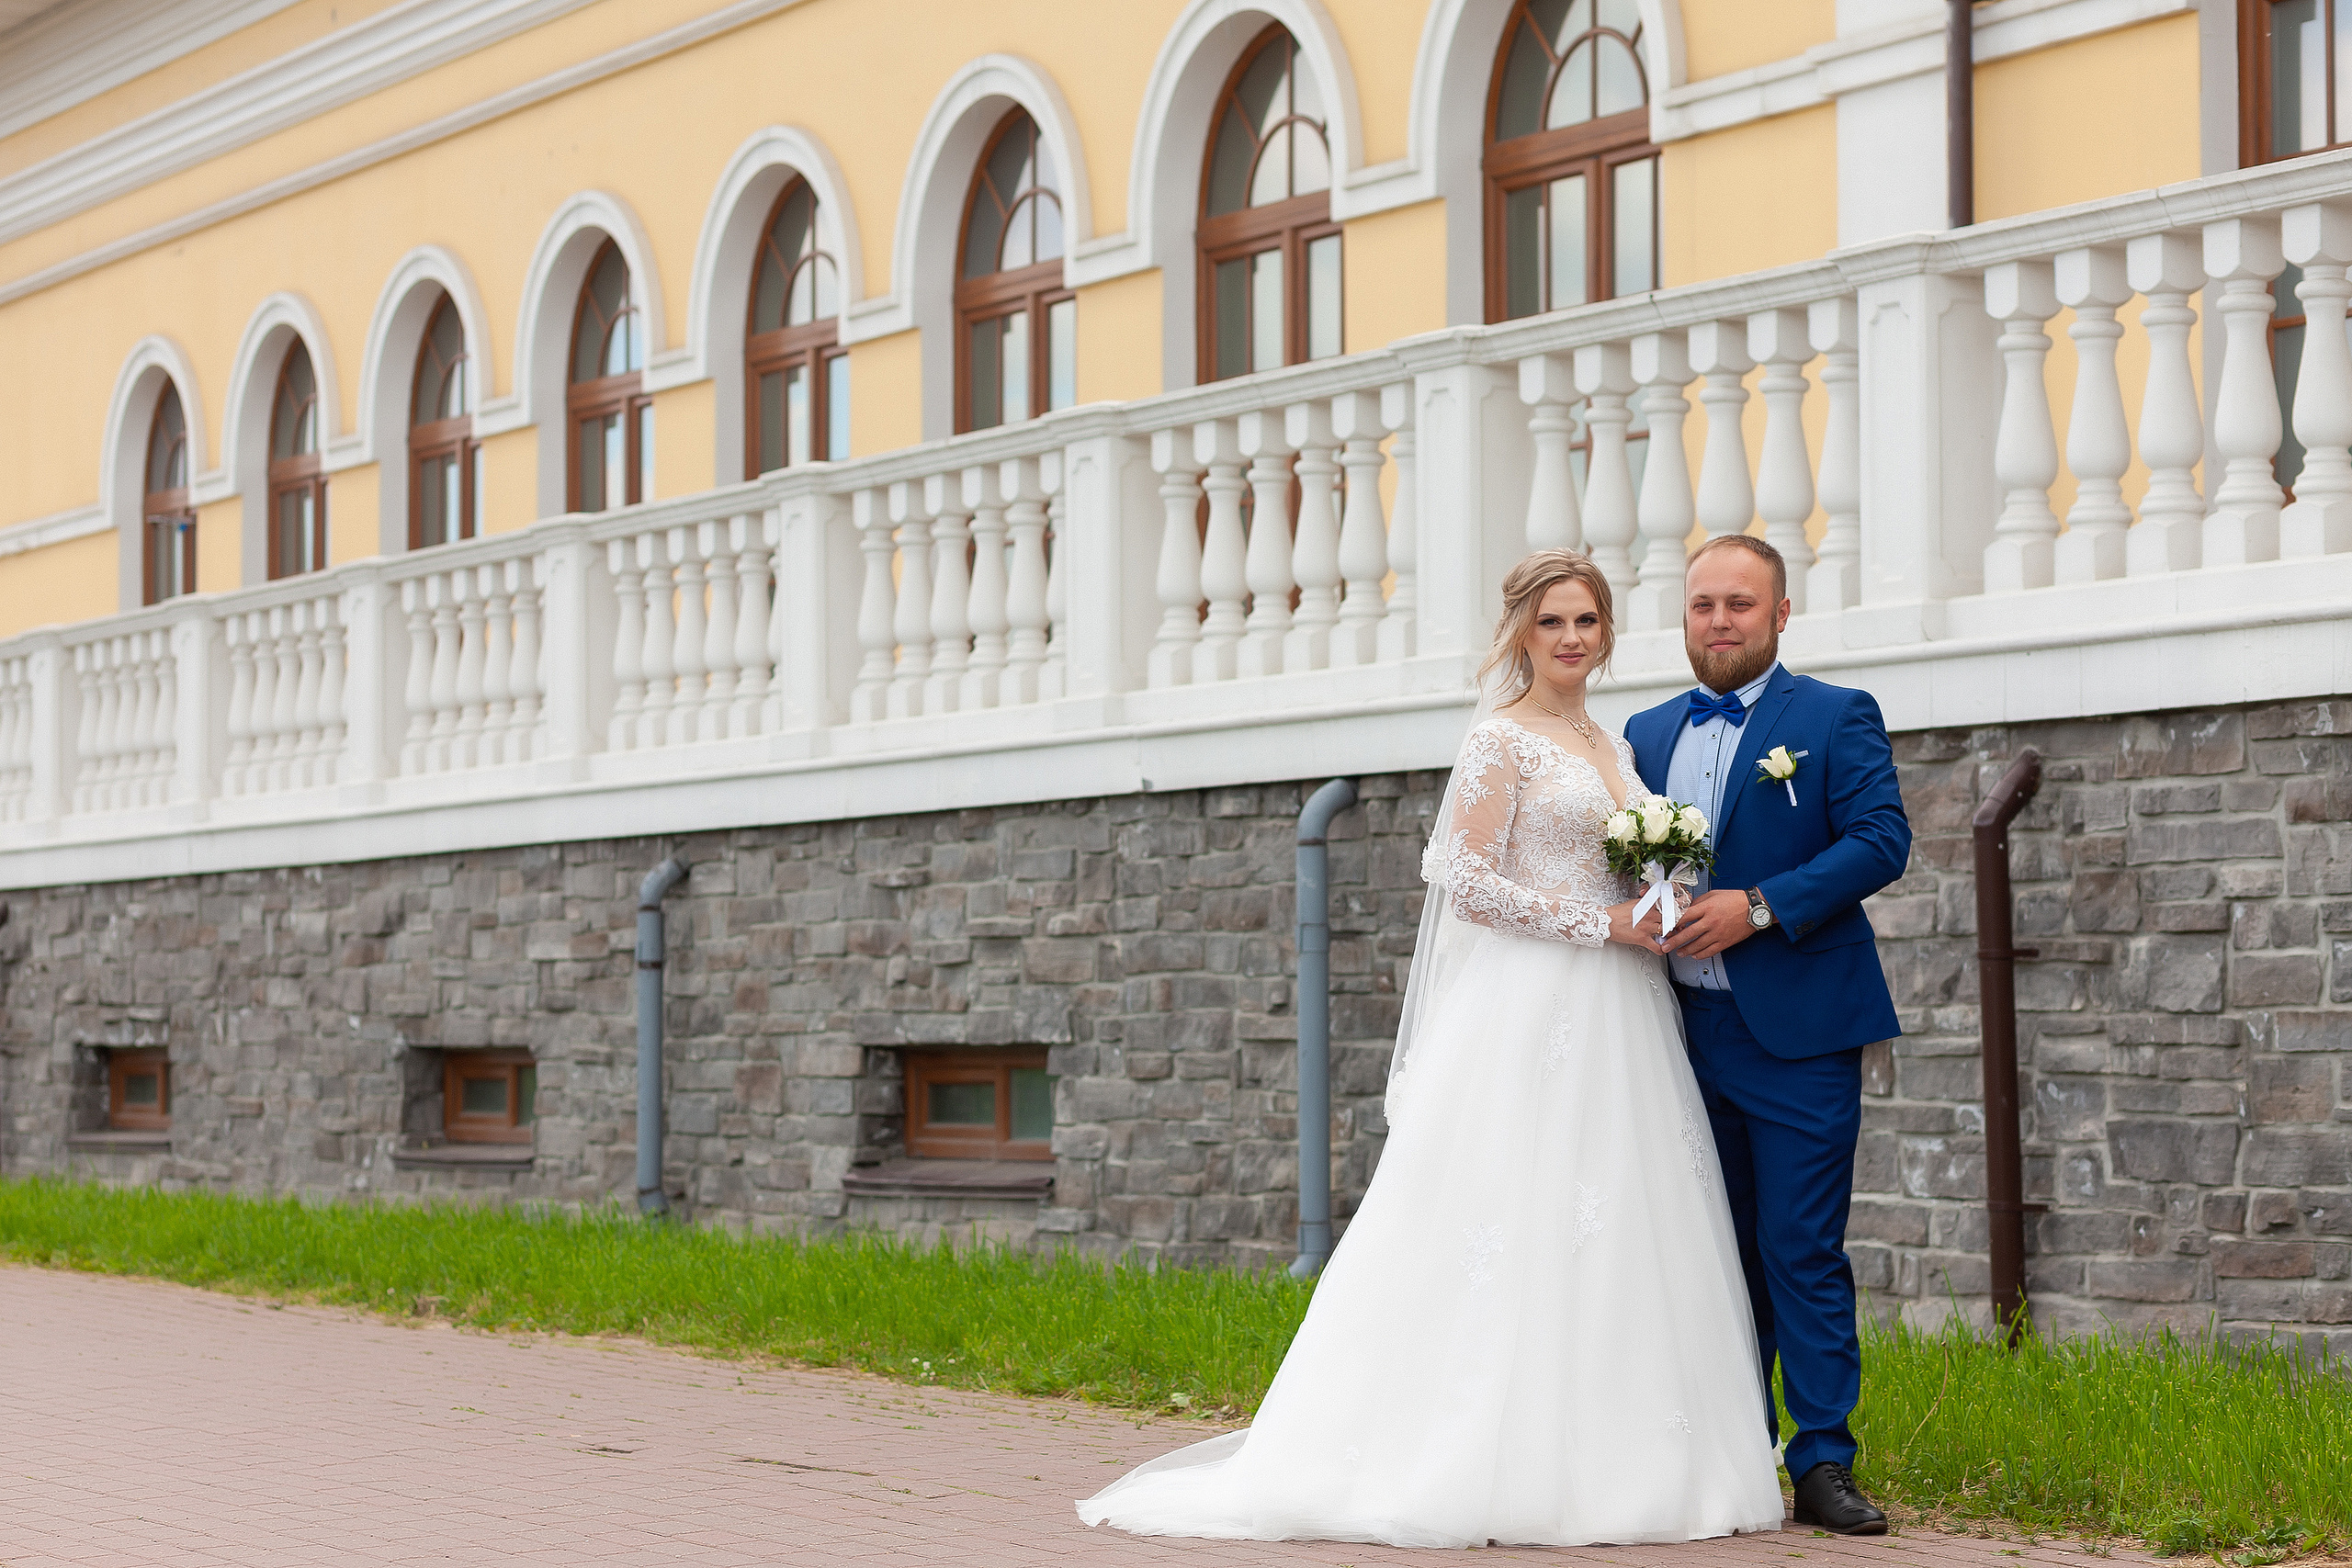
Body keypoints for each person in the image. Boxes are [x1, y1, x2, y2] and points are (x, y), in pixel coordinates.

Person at [1076, 551, 1784, 1549]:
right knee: (1508, 1212)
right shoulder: (1501, 740)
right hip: (1533, 1003)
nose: (1571, 638)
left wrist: (1655, 900)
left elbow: (1621, 867)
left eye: (1586, 621)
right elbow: (1469, 882)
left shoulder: (1617, 742)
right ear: (1520, 633)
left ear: (1608, 633)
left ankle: (1628, 1458)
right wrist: (1601, 924)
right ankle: (1474, 1453)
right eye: (1551, 622)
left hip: (1625, 1010)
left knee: (1620, 1214)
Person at [1623, 534, 1912, 1537]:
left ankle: (1822, 1459)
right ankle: (1732, 1454)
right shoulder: (1644, 732)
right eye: (1703, 604)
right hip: (1672, 1034)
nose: (1719, 621)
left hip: (1799, 1035)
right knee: (1707, 1253)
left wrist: (1758, 906)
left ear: (1780, 614)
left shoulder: (1834, 716)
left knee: (1799, 1247)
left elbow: (1881, 841)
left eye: (1740, 604)